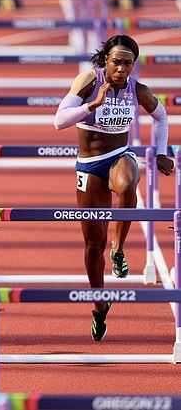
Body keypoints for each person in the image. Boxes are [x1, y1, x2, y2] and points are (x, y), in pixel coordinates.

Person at [54, 34, 174, 341]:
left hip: (120, 155)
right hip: (89, 165)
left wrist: (161, 152)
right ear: (105, 60)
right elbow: (58, 120)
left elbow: (161, 118)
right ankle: (99, 304)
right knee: (93, 246)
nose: (121, 69)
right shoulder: (88, 81)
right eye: (116, 62)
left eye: (128, 63)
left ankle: (119, 249)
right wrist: (91, 104)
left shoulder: (139, 90)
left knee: (126, 183)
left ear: (134, 65)